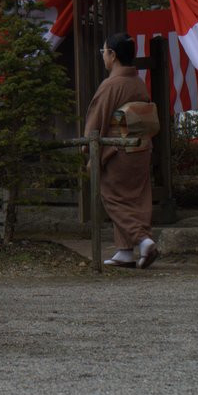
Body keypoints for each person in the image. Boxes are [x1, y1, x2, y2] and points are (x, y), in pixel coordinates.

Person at [84, 32, 159, 269]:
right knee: (135, 199)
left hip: (118, 152)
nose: (103, 56)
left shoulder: (111, 85)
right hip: (141, 148)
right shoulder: (137, 82)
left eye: (103, 52)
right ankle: (125, 251)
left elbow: (95, 123)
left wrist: (89, 150)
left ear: (112, 55)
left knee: (113, 197)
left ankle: (143, 241)